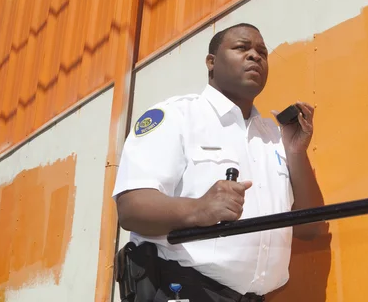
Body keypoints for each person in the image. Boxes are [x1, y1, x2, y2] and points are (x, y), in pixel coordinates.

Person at [112, 23, 325, 302]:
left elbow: (310, 228)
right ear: (211, 62)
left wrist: (296, 153)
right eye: (242, 47)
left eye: (262, 52)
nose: (255, 56)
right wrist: (199, 209)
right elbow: (131, 209)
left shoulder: (274, 136)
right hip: (183, 290)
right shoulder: (177, 116)